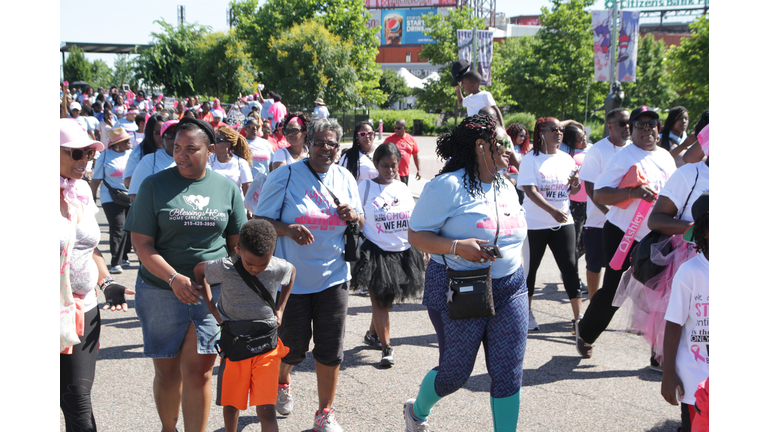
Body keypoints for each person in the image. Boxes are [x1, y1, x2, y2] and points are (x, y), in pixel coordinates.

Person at [404, 114, 527, 432]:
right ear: (481, 146)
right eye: (503, 143)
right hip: (459, 286)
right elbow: (416, 235)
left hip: (510, 287)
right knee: (455, 374)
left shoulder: (506, 186)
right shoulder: (447, 186)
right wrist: (457, 246)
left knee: (508, 373)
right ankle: (417, 412)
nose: (510, 150)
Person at [124, 117, 247, 432]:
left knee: (199, 373)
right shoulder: (154, 185)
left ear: (210, 150)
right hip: (160, 291)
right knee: (167, 373)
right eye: (177, 148)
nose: (182, 155)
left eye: (191, 149)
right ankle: (169, 428)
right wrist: (173, 279)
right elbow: (142, 243)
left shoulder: (227, 189)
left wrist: (222, 278)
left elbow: (236, 246)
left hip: (210, 294)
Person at [255, 118, 363, 432]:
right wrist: (287, 229)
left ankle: (324, 413)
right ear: (306, 142)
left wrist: (354, 215)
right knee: (293, 348)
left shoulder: (344, 177)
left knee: (331, 350)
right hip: (292, 282)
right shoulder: (286, 176)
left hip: (333, 278)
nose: (325, 148)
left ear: (338, 147)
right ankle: (281, 380)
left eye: (331, 143)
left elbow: (362, 219)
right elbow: (260, 221)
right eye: (319, 141)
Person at [576, 106, 677, 359]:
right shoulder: (623, 157)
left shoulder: (666, 157)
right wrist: (632, 193)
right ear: (631, 130)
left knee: (661, 293)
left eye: (650, 124)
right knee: (614, 290)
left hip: (656, 236)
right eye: (639, 126)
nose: (646, 129)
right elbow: (600, 193)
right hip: (623, 233)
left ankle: (659, 354)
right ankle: (586, 333)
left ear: (659, 127)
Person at [613, 112, 710, 370]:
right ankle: (674, 369)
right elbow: (656, 220)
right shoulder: (691, 175)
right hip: (689, 259)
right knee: (684, 322)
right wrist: (697, 229)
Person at [60, 118, 134, 432]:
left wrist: (107, 282)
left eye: (88, 154)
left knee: (78, 398)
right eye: (76, 153)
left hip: (84, 310)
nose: (84, 161)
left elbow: (89, 246)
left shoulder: (82, 193)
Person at [194, 219, 295, 432]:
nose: (256, 269)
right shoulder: (225, 267)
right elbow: (199, 271)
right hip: (235, 344)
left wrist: (281, 309)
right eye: (250, 264)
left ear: (272, 252)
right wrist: (211, 306)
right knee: (231, 405)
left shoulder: (278, 266)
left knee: (267, 410)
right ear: (238, 249)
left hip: (266, 346)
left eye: (262, 264)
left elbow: (292, 272)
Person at [351, 142, 424, 367]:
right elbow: (359, 220)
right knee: (380, 303)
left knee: (386, 302)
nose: (390, 170)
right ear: (376, 164)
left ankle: (372, 334)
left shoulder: (402, 187)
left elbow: (413, 219)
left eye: (394, 166)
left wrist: (421, 246)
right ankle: (386, 348)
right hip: (375, 253)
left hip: (403, 252)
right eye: (384, 166)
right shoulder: (364, 187)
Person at [517, 117, 584, 332]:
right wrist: (551, 210)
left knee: (570, 267)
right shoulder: (531, 159)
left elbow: (571, 191)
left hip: (563, 221)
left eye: (560, 130)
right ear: (541, 133)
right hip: (534, 223)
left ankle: (578, 318)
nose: (558, 133)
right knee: (530, 270)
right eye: (553, 129)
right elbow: (530, 190)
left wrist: (575, 186)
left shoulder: (567, 159)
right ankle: (526, 313)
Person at [661, 193, 708, 432]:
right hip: (695, 378)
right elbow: (673, 323)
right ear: (706, 231)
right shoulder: (691, 272)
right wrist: (668, 372)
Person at [578, 108, 630, 300]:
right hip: (599, 221)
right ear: (609, 126)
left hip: (629, 223)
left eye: (629, 123)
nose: (627, 128)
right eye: (622, 124)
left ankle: (619, 307)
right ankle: (593, 304)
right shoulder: (597, 150)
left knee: (626, 268)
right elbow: (590, 189)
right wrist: (609, 213)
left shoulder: (634, 149)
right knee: (594, 265)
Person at [91, 127, 133, 274]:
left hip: (130, 195)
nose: (129, 142)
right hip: (110, 196)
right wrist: (92, 199)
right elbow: (96, 180)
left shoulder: (132, 154)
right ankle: (116, 262)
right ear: (117, 144)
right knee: (118, 226)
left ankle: (124, 257)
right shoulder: (104, 156)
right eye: (126, 140)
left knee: (129, 226)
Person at [562, 124, 591, 293]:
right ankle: (574, 277)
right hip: (574, 204)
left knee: (585, 243)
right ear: (571, 141)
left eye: (584, 137)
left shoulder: (589, 152)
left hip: (591, 203)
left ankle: (567, 268)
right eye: (580, 139)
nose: (584, 141)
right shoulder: (567, 156)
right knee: (575, 242)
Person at [128, 120, 179, 202]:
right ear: (162, 139)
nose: (176, 139)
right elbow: (135, 196)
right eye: (170, 135)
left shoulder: (194, 159)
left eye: (179, 135)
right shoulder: (149, 161)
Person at [122, 114, 168, 190]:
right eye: (158, 133)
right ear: (150, 132)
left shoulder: (175, 151)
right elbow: (127, 182)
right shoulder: (139, 151)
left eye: (165, 132)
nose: (162, 136)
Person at [211, 126, 254, 199]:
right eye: (213, 140)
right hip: (214, 206)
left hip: (234, 207)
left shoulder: (241, 163)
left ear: (228, 144)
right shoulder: (208, 160)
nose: (213, 143)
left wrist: (249, 210)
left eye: (217, 140)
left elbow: (248, 192)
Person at [383, 119, 421, 185]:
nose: (396, 130)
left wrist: (419, 170)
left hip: (405, 173)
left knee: (403, 194)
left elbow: (416, 156)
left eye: (399, 128)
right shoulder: (389, 139)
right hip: (392, 173)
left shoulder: (411, 139)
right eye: (395, 128)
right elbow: (382, 154)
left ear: (405, 128)